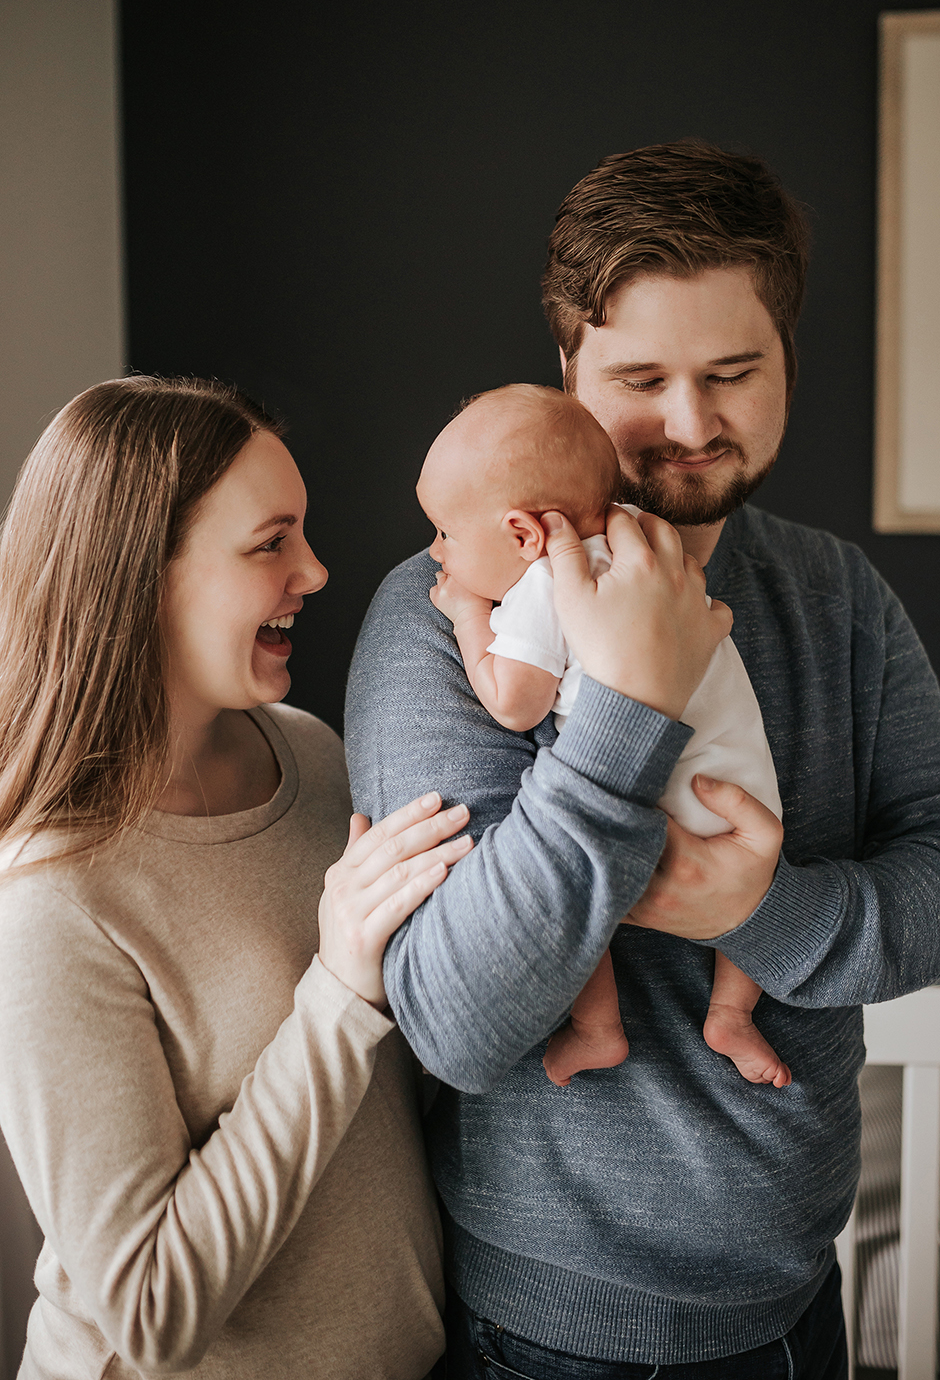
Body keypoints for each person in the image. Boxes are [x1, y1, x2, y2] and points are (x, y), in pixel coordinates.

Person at [345, 140, 940, 1378]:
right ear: (566, 366)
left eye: (733, 371)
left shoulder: (836, 597)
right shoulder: (446, 612)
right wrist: (627, 703)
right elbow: (455, 1020)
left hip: (799, 1302)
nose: (687, 424)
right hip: (550, 1336)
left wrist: (765, 913)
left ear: (789, 357)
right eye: (639, 377)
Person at [0, 375, 481, 1379]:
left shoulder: (312, 756)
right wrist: (338, 992)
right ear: (144, 574)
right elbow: (151, 1309)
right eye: (272, 543)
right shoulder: (52, 901)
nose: (314, 569)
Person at [416, 381, 787, 1090]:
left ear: (524, 534)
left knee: (576, 895)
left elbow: (515, 704)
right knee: (753, 883)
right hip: (740, 786)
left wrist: (468, 616)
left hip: (651, 790)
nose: (436, 552)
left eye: (446, 534)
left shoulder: (541, 587)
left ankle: (598, 1027)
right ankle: (732, 1013)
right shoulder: (652, 548)